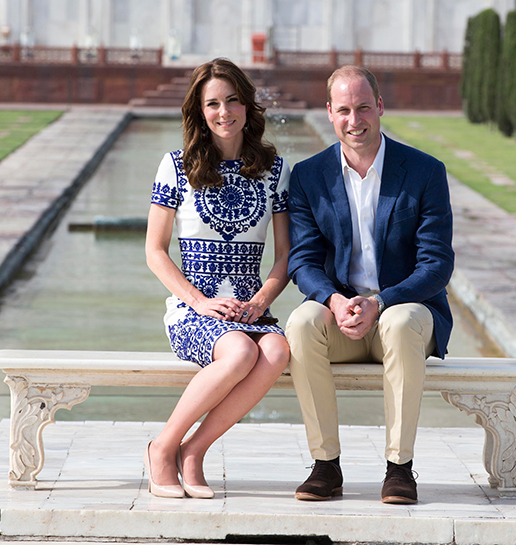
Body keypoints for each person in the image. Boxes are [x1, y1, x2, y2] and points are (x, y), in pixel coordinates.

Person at [285, 65, 454, 504]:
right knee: (301, 321)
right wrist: (335, 301)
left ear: (380, 106)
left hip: (406, 314)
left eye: (363, 107)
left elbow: (436, 265)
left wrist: (380, 302)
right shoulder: (308, 176)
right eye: (344, 110)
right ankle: (326, 466)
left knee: (398, 323)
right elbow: (302, 262)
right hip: (342, 318)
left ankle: (400, 469)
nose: (354, 120)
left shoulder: (424, 171)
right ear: (329, 113)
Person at [144, 58, 291, 499]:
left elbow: (285, 256)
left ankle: (193, 453)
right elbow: (155, 252)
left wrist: (264, 298)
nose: (223, 112)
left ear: (247, 105)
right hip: (194, 311)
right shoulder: (176, 165)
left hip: (251, 307)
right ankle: (162, 447)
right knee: (241, 350)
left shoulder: (274, 170)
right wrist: (199, 302)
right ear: (199, 110)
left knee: (278, 349)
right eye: (212, 104)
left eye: (232, 100)